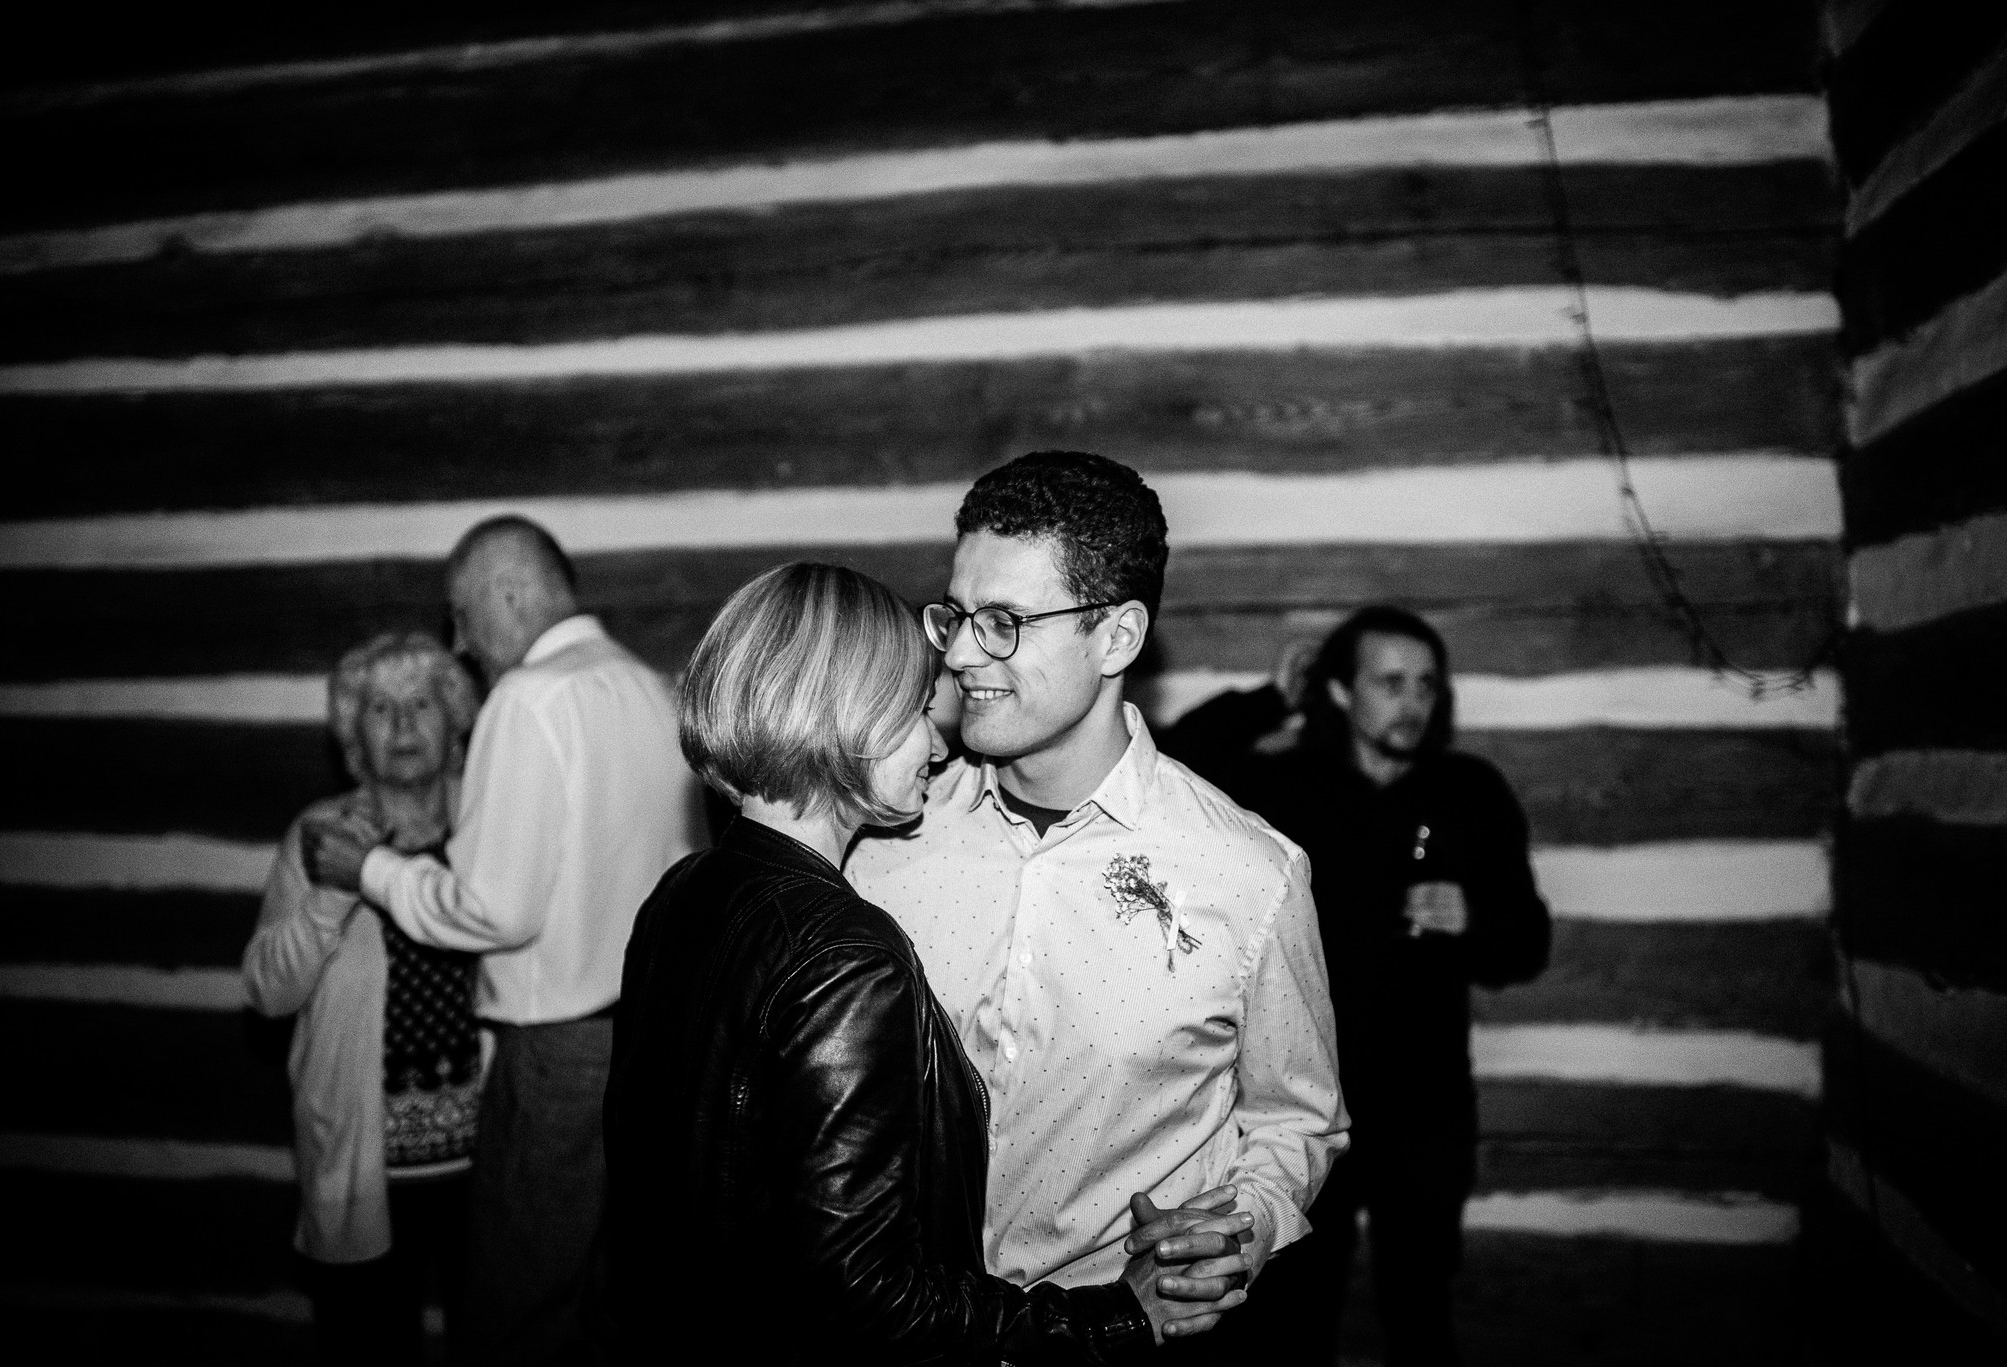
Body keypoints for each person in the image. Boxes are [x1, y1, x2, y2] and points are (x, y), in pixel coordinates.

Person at [605, 561, 1254, 1363]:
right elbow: (866, 1295)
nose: (938, 742)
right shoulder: (845, 956)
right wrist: (1114, 1318)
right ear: (852, 716)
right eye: (917, 710)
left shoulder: (683, 890)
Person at [846, 452, 1350, 1354]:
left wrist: (1243, 1225)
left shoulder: (1251, 875)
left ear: (1117, 638)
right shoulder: (886, 841)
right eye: (956, 615)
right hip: (905, 1332)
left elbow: (1297, 1118)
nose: (958, 654)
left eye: (1003, 622)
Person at [302, 515, 703, 1364]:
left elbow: (495, 910)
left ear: (510, 592)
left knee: (515, 1314)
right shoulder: (650, 689)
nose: (460, 641)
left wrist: (371, 870)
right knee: (602, 1303)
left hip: (554, 1054)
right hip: (650, 1044)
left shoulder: (528, 697)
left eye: (461, 613)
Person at [1165, 606, 1552, 1367]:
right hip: (1303, 1111)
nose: (1413, 702)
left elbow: (1528, 943)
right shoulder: (1284, 786)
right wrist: (1271, 700)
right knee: (1292, 1320)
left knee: (1420, 1310)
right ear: (1340, 691)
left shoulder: (1469, 791)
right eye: (1390, 682)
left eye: (1426, 685)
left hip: (1426, 1107)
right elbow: (1173, 765)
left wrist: (1475, 918)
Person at [243, 631, 482, 1363]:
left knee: (501, 1346)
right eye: (381, 709)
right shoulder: (318, 836)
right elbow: (266, 990)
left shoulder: (490, 826)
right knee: (366, 1353)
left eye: (422, 704)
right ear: (354, 737)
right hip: (362, 1160)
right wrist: (331, 895)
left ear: (453, 725)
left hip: (491, 1157)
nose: (403, 724)